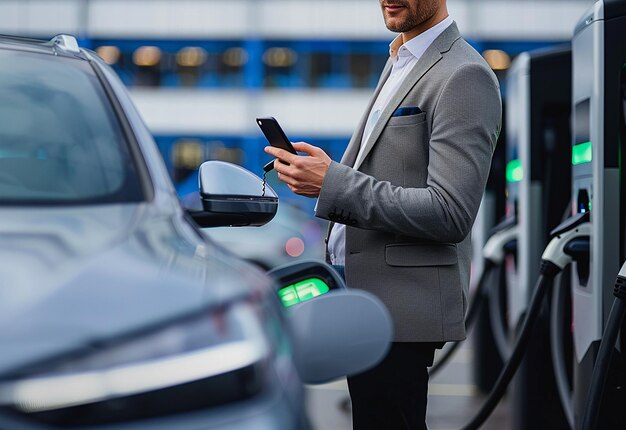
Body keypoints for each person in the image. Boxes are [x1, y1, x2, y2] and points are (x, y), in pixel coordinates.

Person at [264, 0, 501, 428]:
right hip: (364, 298)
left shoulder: (464, 75)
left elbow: (450, 211)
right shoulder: (399, 59)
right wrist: (327, 172)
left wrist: (333, 182)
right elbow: (390, 171)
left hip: (402, 309)